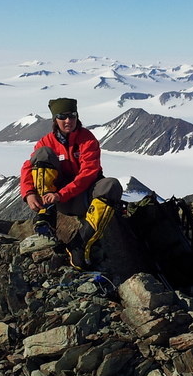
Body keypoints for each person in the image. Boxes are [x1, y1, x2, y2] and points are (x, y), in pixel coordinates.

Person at [20, 98, 122, 270]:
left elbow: (88, 174)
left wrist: (61, 194)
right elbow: (27, 167)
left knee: (111, 186)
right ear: (55, 119)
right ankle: (46, 217)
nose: (68, 121)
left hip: (82, 197)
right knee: (42, 154)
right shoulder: (46, 142)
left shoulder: (87, 140)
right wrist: (29, 193)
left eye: (72, 116)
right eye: (63, 116)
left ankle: (80, 244)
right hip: (56, 200)